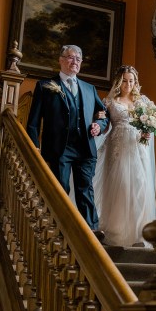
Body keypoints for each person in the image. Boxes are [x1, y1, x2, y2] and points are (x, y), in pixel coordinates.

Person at [27, 45, 108, 235]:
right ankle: (57, 228)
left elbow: (103, 114)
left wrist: (99, 125)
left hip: (85, 148)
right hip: (58, 149)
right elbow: (32, 123)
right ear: (61, 60)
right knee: (60, 188)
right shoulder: (45, 86)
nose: (75, 62)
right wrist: (35, 149)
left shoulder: (89, 88)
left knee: (85, 189)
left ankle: (91, 230)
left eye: (79, 59)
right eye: (71, 58)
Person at [93, 65, 156, 247]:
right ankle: (117, 231)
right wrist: (98, 118)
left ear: (136, 82)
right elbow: (104, 126)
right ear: (119, 82)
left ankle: (139, 234)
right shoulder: (110, 101)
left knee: (139, 186)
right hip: (118, 147)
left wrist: (148, 133)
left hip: (138, 148)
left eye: (131, 80)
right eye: (125, 80)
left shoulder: (143, 102)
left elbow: (151, 125)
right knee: (120, 185)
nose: (128, 84)